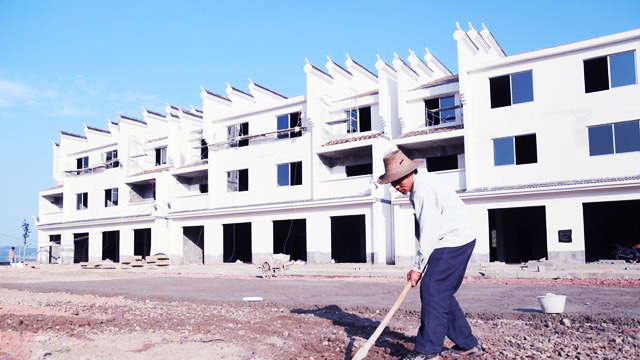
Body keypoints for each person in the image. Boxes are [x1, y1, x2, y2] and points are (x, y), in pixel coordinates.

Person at [377, 150, 483, 360]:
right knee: (440, 293)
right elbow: (426, 231)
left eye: (399, 181)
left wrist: (417, 267)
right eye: (393, 183)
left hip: (453, 240)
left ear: (410, 173)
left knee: (433, 289)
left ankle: (428, 351)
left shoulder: (423, 189)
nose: (397, 187)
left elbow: (429, 231)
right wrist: (422, 263)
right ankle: (468, 344)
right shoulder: (419, 187)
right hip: (450, 241)